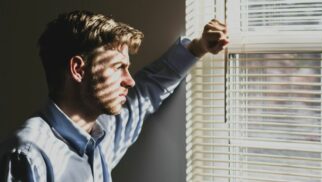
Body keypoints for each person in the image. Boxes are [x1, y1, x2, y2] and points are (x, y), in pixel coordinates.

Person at [0, 10, 227, 181]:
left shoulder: (103, 132)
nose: (129, 80)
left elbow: (149, 89)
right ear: (78, 69)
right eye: (118, 67)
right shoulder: (28, 154)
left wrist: (198, 47)